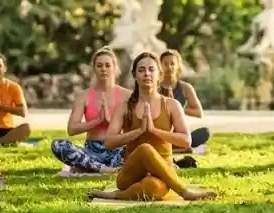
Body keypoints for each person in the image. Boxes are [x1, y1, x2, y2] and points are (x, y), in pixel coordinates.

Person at [88, 52, 216, 202]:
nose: (146, 74)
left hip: (162, 173)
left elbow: (186, 141)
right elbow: (109, 142)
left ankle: (115, 195)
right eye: (141, 70)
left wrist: (154, 131)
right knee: (145, 148)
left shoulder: (171, 105)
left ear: (159, 74)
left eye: (151, 69)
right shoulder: (124, 106)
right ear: (134, 75)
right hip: (130, 175)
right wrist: (139, 131)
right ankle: (184, 192)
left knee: (152, 187)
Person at [51, 47, 132, 173]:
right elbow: (72, 129)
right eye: (99, 65)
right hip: (92, 151)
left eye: (107, 65)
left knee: (140, 144)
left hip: (118, 149)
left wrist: (112, 121)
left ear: (115, 68)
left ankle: (90, 166)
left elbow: (133, 128)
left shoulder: (127, 95)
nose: (103, 69)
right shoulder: (83, 96)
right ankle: (104, 168)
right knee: (58, 145)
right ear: (94, 68)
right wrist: (98, 121)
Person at [158, 50, 211, 152]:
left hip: (179, 134)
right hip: (161, 133)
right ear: (160, 66)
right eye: (165, 64)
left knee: (205, 132)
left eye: (172, 64)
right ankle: (182, 149)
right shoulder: (155, 88)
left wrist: (177, 108)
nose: (169, 67)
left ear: (178, 65)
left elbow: (199, 112)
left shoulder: (185, 87)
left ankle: (178, 147)